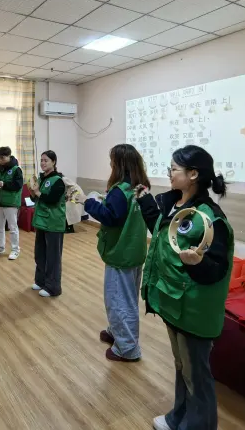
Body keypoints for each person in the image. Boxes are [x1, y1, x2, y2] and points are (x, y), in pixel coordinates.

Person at [136, 145, 233, 430]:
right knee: (182, 368)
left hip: (193, 311)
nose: (169, 173)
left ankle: (199, 425)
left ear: (193, 174)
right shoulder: (174, 204)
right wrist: (145, 201)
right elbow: (162, 234)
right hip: (174, 302)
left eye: (174, 169)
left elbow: (216, 269)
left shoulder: (210, 217)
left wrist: (198, 263)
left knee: (196, 375)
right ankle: (179, 417)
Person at [75, 144, 150, 362]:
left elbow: (110, 217)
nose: (110, 164)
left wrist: (87, 202)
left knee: (118, 300)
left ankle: (127, 348)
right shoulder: (140, 187)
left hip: (121, 253)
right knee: (128, 297)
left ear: (119, 163)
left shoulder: (120, 190)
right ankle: (117, 332)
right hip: (134, 250)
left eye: (112, 160)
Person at [29, 150, 66, 297]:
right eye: (41, 160)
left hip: (53, 223)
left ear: (54, 162)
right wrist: (33, 193)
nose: (43, 163)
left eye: (46, 160)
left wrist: (38, 192)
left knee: (53, 257)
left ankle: (53, 287)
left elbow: (52, 199)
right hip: (41, 221)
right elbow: (37, 199)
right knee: (40, 253)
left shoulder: (58, 180)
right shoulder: (42, 178)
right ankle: (40, 281)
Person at [0, 146, 23, 260]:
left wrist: (4, 184)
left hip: (11, 203)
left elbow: (18, 185)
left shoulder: (16, 169)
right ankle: (0, 247)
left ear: (9, 156)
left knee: (12, 227)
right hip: (0, 201)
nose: (0, 160)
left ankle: (15, 250)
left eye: (2, 158)